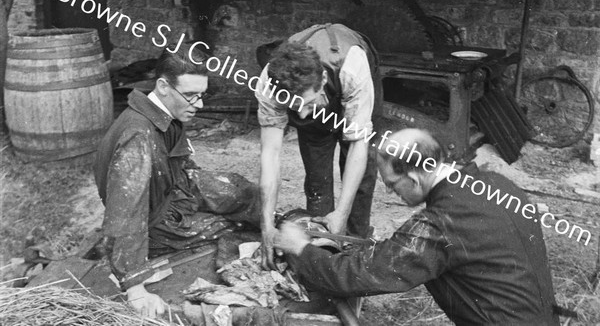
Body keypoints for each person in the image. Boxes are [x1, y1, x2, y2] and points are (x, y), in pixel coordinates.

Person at [274, 129, 560, 325]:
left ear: (413, 177)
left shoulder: (440, 223)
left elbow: (361, 274)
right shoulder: (498, 184)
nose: (390, 193)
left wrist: (301, 248)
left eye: (391, 184)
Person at [94, 44, 260, 318]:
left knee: (242, 189)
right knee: (232, 228)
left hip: (176, 190)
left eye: (202, 95)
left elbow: (182, 165)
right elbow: (127, 214)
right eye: (192, 96)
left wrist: (221, 190)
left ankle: (280, 223)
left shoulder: (165, 113)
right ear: (162, 86)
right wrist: (135, 288)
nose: (201, 105)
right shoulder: (138, 136)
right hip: (158, 222)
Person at [255, 23, 381, 270]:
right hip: (322, 89)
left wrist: (342, 213)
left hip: (350, 75)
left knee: (361, 172)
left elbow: (358, 146)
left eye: (307, 103)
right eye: (294, 106)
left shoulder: (352, 68)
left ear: (323, 79)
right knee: (316, 175)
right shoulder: (269, 83)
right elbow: (270, 154)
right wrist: (266, 224)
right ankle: (320, 246)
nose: (301, 115)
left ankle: (354, 246)